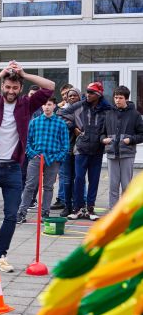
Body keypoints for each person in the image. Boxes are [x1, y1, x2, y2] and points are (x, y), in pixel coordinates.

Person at [0, 61, 54, 273]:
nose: (11, 91)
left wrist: (24, 73)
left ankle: (0, 256)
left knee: (11, 215)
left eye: (15, 88)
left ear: (20, 89)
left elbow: (49, 86)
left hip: (12, 168)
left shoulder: (26, 104)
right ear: (3, 86)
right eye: (7, 87)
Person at [59, 82, 111, 221]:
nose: (88, 94)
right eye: (87, 91)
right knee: (79, 179)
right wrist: (73, 126)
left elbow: (111, 125)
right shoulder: (80, 104)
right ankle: (77, 209)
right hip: (81, 149)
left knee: (94, 180)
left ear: (99, 94)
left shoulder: (107, 109)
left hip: (97, 150)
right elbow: (61, 113)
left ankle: (90, 209)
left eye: (91, 92)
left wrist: (105, 137)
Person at [16, 98, 70, 224]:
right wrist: (33, 154)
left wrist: (57, 157)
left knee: (48, 187)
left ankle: (45, 212)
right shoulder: (34, 122)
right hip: (36, 158)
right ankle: (22, 212)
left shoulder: (60, 123)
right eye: (44, 104)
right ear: (41, 106)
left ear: (54, 106)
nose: (46, 107)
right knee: (30, 185)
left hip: (53, 159)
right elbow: (27, 141)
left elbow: (65, 145)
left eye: (49, 104)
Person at [101, 85, 143, 209]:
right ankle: (113, 211)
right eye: (115, 97)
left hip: (127, 154)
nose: (117, 100)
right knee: (113, 185)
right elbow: (102, 133)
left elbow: (141, 134)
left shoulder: (135, 115)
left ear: (126, 99)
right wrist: (103, 139)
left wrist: (131, 140)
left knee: (126, 186)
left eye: (120, 98)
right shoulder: (109, 113)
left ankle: (125, 212)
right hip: (111, 153)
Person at [58, 88, 82, 217]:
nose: (72, 97)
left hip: (81, 150)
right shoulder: (61, 110)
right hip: (66, 149)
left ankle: (78, 205)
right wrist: (75, 125)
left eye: (75, 95)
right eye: (70, 95)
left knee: (79, 178)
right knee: (67, 180)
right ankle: (67, 205)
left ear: (79, 97)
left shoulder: (85, 110)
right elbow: (62, 124)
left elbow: (86, 126)